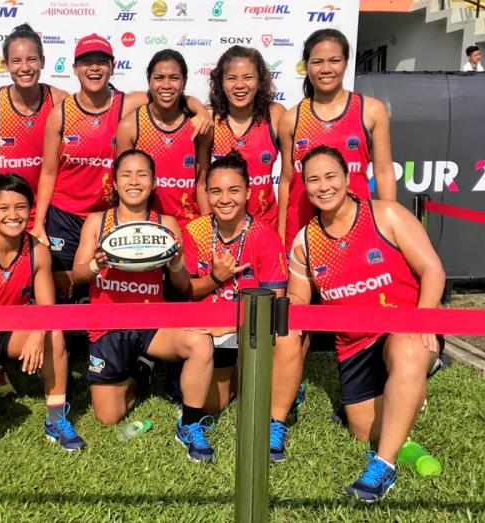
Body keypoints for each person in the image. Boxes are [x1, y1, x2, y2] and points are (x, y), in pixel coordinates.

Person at [287, 145, 445, 502]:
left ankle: (383, 467)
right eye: (313, 179)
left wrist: (424, 319)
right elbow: (299, 298)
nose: (323, 186)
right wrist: (290, 316)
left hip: (404, 327)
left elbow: (432, 269)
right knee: (363, 429)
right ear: (306, 186)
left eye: (330, 176)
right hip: (355, 344)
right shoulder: (305, 242)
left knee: (406, 352)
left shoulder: (385, 214)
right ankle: (407, 391)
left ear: (347, 178)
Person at [30, 33, 211, 301]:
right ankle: (66, 343)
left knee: (120, 284)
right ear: (75, 68)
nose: (94, 68)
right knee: (66, 288)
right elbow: (48, 171)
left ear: (113, 67)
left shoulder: (127, 103)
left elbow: (169, 94)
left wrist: (201, 109)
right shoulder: (61, 113)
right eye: (86, 62)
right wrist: (39, 222)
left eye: (101, 62)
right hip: (65, 215)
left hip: (105, 214)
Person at [71, 149, 218, 463]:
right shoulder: (97, 222)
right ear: (115, 181)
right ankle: (141, 373)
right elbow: (77, 275)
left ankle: (190, 424)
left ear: (153, 183)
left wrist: (177, 263)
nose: (134, 181)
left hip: (154, 320)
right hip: (108, 323)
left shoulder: (166, 224)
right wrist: (96, 265)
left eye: (142, 175)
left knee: (201, 344)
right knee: (108, 417)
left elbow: (182, 287)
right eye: (126, 174)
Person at [0, 173, 86, 451]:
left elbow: (47, 308)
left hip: (7, 335)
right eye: (4, 208)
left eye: (20, 207)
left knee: (54, 334)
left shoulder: (38, 251)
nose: (14, 215)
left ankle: (55, 420)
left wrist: (37, 332)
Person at [181, 153, 303, 441]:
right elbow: (186, 291)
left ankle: (275, 422)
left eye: (234, 190)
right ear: (207, 194)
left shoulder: (265, 236)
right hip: (209, 333)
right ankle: (251, 381)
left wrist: (232, 323)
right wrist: (215, 279)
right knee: (215, 405)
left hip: (250, 329)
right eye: (216, 191)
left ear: (248, 192)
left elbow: (273, 302)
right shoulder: (195, 231)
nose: (225, 199)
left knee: (289, 334)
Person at [278, 29, 397, 248]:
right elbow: (286, 180)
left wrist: (390, 224)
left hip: (357, 226)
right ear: (307, 66)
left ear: (345, 63)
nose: (326, 69)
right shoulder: (291, 118)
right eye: (317, 62)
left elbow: (383, 171)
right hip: (303, 231)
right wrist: (281, 235)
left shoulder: (371, 110)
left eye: (334, 60)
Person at [116, 48, 213, 229]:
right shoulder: (131, 126)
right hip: (146, 226)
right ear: (149, 82)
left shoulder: (198, 126)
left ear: (184, 82)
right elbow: (123, 185)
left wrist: (209, 230)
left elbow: (201, 184)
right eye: (159, 78)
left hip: (189, 226)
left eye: (174, 78)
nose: (166, 85)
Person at [0, 23, 69, 222]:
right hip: (9, 213)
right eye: (16, 61)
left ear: (42, 61)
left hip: (50, 211)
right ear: (5, 65)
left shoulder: (59, 100)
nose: (25, 68)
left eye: (31, 59)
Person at [207, 45, 285, 229]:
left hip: (266, 226)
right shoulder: (210, 119)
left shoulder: (275, 115)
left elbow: (288, 178)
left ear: (260, 81)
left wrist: (282, 232)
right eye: (231, 78)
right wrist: (208, 230)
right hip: (223, 230)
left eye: (248, 77)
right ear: (221, 83)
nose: (239, 85)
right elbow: (200, 181)